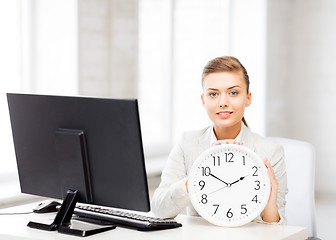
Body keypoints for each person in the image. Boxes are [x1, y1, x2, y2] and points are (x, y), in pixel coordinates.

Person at [151, 56, 288, 224]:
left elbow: (278, 230)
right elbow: (158, 209)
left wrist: (270, 204)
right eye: (213, 94)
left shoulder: (271, 152)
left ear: (248, 98)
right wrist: (195, 178)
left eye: (233, 93)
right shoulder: (188, 143)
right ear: (204, 100)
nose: (223, 102)